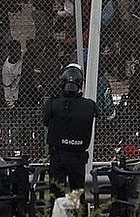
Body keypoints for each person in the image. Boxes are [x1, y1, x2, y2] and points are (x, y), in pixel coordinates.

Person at [43, 63, 110, 192]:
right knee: (78, 195)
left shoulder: (52, 104)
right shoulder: (89, 105)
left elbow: (45, 121)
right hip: (77, 157)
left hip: (58, 155)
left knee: (56, 195)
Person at [2, 40, 23, 109]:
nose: (19, 52)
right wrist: (11, 104)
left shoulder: (21, 57)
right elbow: (7, 89)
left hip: (22, 90)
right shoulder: (7, 69)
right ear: (11, 52)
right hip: (14, 96)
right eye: (16, 51)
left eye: (19, 50)